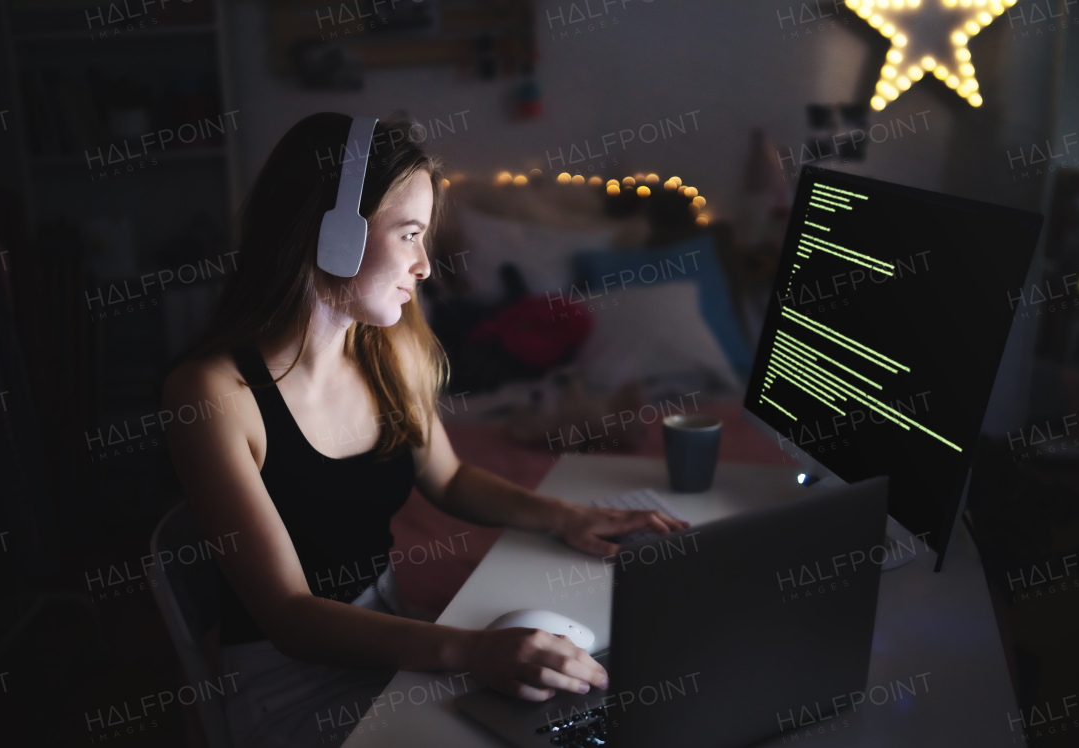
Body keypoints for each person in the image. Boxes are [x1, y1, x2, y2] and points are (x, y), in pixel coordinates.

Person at [160, 112, 687, 747]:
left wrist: (565, 516)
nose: (425, 266)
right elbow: (291, 618)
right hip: (293, 687)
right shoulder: (214, 393)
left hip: (398, 642)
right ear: (334, 236)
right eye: (410, 233)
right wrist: (475, 650)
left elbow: (453, 479)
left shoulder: (390, 350)